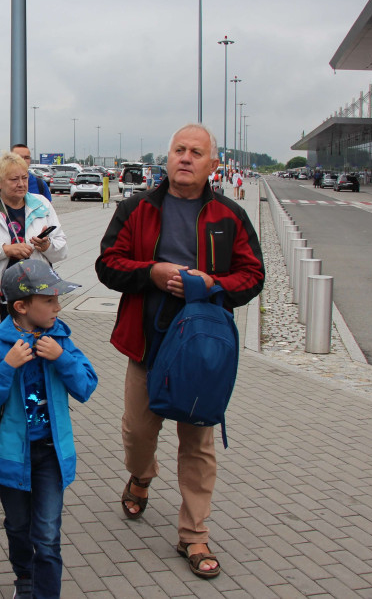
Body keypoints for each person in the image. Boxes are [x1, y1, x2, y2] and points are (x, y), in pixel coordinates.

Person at [95, 123, 264, 580]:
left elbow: (253, 275)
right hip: (146, 345)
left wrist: (216, 285)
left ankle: (193, 534)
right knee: (137, 434)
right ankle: (141, 476)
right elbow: (107, 264)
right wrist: (150, 272)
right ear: (167, 157)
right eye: (178, 150)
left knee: (197, 444)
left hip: (201, 351)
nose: (185, 158)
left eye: (196, 152)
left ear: (212, 164)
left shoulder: (229, 216)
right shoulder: (137, 208)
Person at [0, 259, 98, 599]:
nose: (58, 307)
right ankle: (24, 574)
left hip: (51, 455)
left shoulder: (60, 340)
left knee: (47, 535)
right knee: (18, 527)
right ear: (22, 306)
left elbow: (85, 386)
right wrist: (7, 366)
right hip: (11, 456)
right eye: (50, 300)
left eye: (58, 299)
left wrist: (61, 358)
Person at [0, 152, 67, 335]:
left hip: (37, 298)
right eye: (14, 179)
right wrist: (5, 250)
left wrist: (47, 246)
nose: (21, 184)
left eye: (24, 178)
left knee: (38, 354)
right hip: (1, 300)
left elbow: (62, 250)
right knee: (3, 356)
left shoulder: (42, 204)